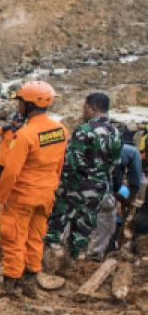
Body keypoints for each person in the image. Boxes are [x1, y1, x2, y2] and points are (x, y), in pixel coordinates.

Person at [0, 81, 68, 297]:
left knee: (13, 238)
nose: (18, 106)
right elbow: (59, 165)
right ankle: (30, 281)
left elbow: (11, 172)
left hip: (22, 196)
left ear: (30, 104)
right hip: (46, 195)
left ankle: (10, 284)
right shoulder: (61, 130)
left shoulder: (25, 135)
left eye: (20, 102)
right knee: (36, 237)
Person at [44, 92, 121, 272]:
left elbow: (71, 162)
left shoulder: (84, 130)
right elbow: (115, 163)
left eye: (84, 108)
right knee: (83, 227)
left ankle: (45, 264)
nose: (82, 111)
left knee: (56, 223)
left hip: (74, 187)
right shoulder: (115, 132)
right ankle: (70, 266)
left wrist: (62, 185)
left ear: (92, 108)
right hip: (98, 188)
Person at [90, 142, 142, 257]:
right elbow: (135, 183)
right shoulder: (131, 152)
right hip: (108, 200)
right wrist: (127, 199)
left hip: (89, 193)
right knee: (108, 229)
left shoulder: (87, 144)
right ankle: (99, 256)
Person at [0, 112, 24, 176]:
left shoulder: (23, 131)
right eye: (17, 121)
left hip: (13, 162)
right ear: (13, 121)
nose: (19, 123)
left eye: (21, 121)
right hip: (1, 161)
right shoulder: (6, 129)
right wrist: (2, 129)